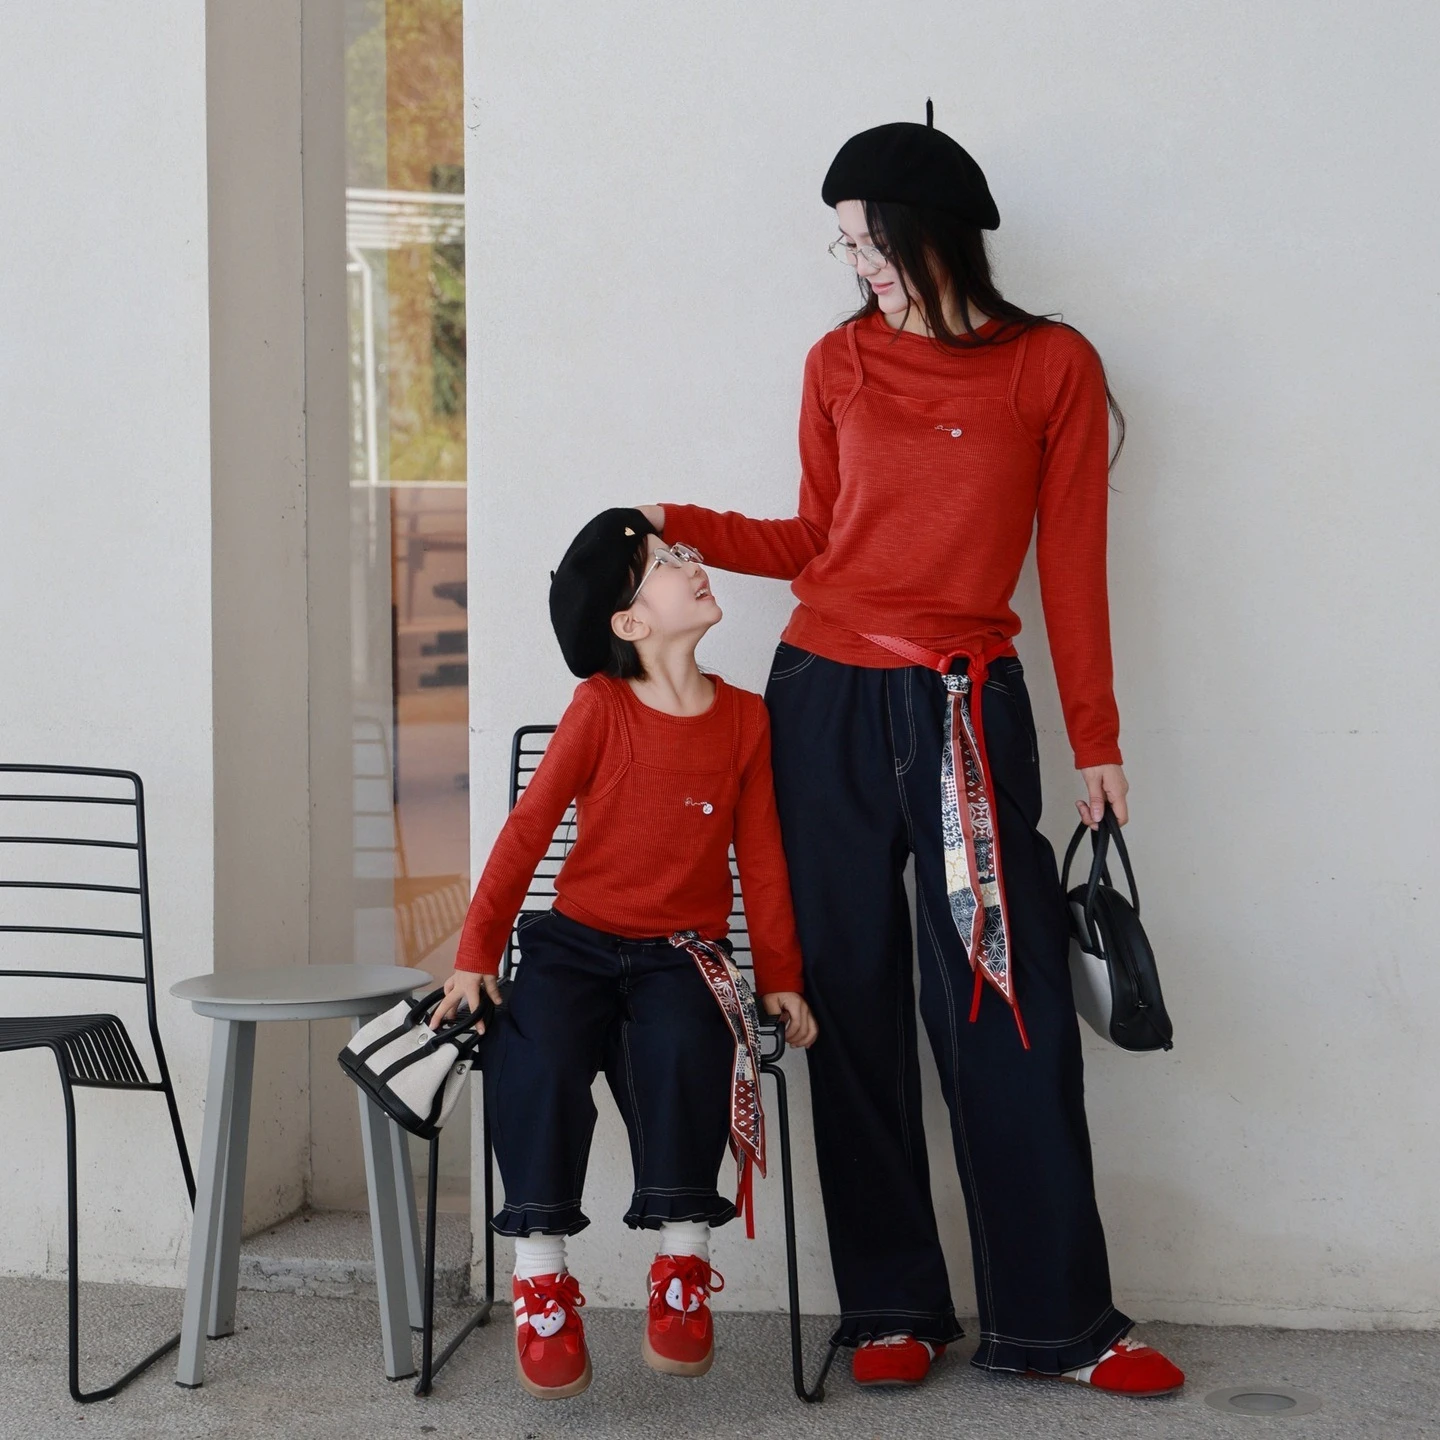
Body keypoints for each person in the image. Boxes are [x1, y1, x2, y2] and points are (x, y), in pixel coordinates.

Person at [635, 111, 1184, 1396]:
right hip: (821, 698)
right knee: (846, 1004)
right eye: (842, 246)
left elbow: (1073, 565)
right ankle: (890, 1304)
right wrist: (672, 518)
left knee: (1007, 1007)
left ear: (930, 229)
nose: (855, 265)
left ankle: (1061, 1323)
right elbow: (818, 535)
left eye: (866, 239)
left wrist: (1096, 734)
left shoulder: (1049, 366)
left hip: (963, 709)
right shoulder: (838, 363)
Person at [432, 508, 818, 1401]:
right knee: (535, 1056)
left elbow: (760, 859)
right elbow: (527, 830)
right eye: (667, 562)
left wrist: (784, 977)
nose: (692, 564)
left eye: (685, 554)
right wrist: (475, 950)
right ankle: (541, 1278)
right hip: (573, 946)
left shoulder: (746, 722)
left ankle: (683, 1270)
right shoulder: (599, 707)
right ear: (631, 623)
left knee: (689, 1050)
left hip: (684, 953)